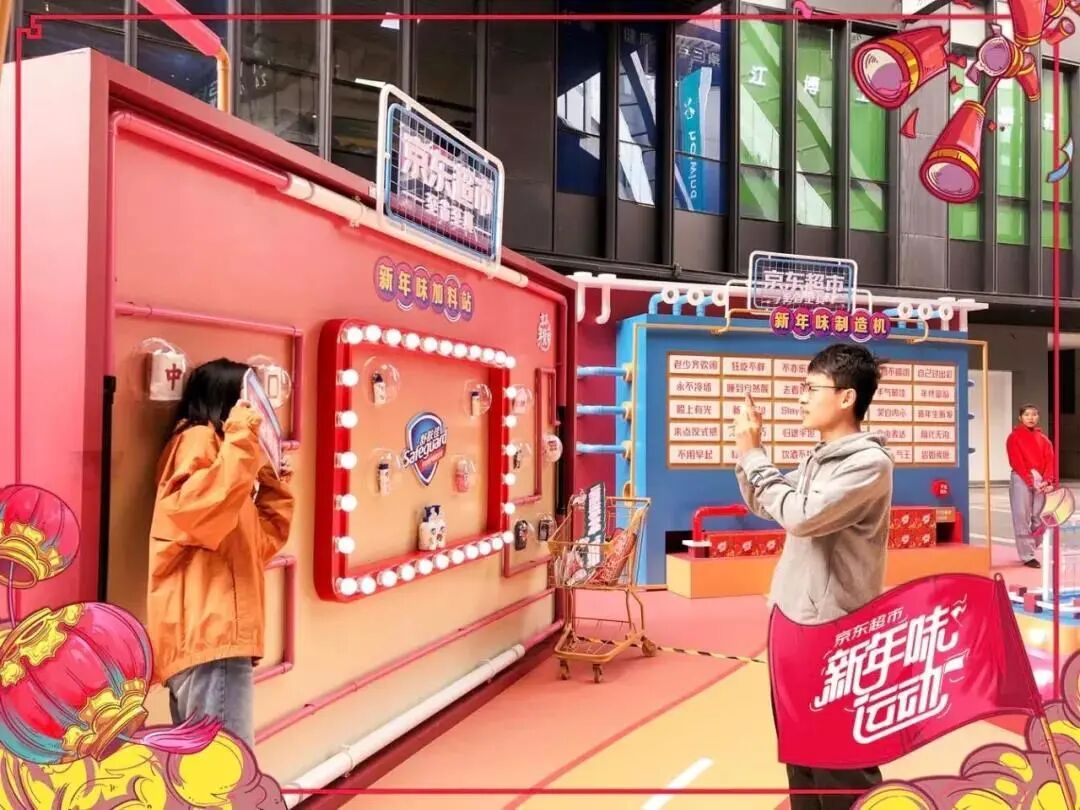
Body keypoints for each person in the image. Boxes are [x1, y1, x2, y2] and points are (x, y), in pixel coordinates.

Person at [732, 343, 894, 810]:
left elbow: (801, 517)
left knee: (840, 761)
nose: (801, 398)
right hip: (792, 619)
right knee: (799, 751)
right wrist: (747, 454)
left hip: (835, 629)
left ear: (846, 397)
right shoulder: (817, 458)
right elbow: (768, 504)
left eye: (810, 388)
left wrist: (756, 457)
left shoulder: (868, 463)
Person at [146, 358, 294, 749]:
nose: (256, 413)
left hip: (212, 638)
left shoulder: (226, 464)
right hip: (211, 636)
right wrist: (244, 436)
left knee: (208, 771)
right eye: (249, 402)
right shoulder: (198, 439)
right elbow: (199, 509)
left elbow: (260, 542)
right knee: (228, 772)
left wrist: (269, 476)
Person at [1006, 403, 1056, 568]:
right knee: (1021, 516)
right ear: (1020, 418)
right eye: (1027, 415)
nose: (1031, 418)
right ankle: (1027, 555)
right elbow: (1016, 461)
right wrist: (1029, 480)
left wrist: (1047, 480)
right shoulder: (1014, 437)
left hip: (1041, 480)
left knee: (1039, 517)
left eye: (1034, 414)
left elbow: (1050, 461)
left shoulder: (1044, 440)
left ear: (1038, 417)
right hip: (1021, 478)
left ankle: (1031, 544)